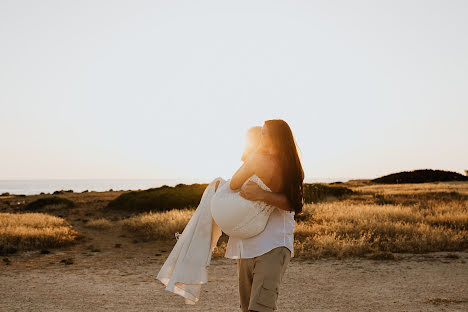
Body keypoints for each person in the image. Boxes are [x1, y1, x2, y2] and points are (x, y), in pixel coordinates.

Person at [226, 119, 304, 312]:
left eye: (265, 133)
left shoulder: (288, 167)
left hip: (273, 246)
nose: (261, 136)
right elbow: (234, 184)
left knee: (260, 309)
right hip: (245, 247)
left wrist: (262, 195)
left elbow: (296, 204)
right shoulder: (255, 161)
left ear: (277, 138)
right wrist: (254, 158)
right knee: (247, 309)